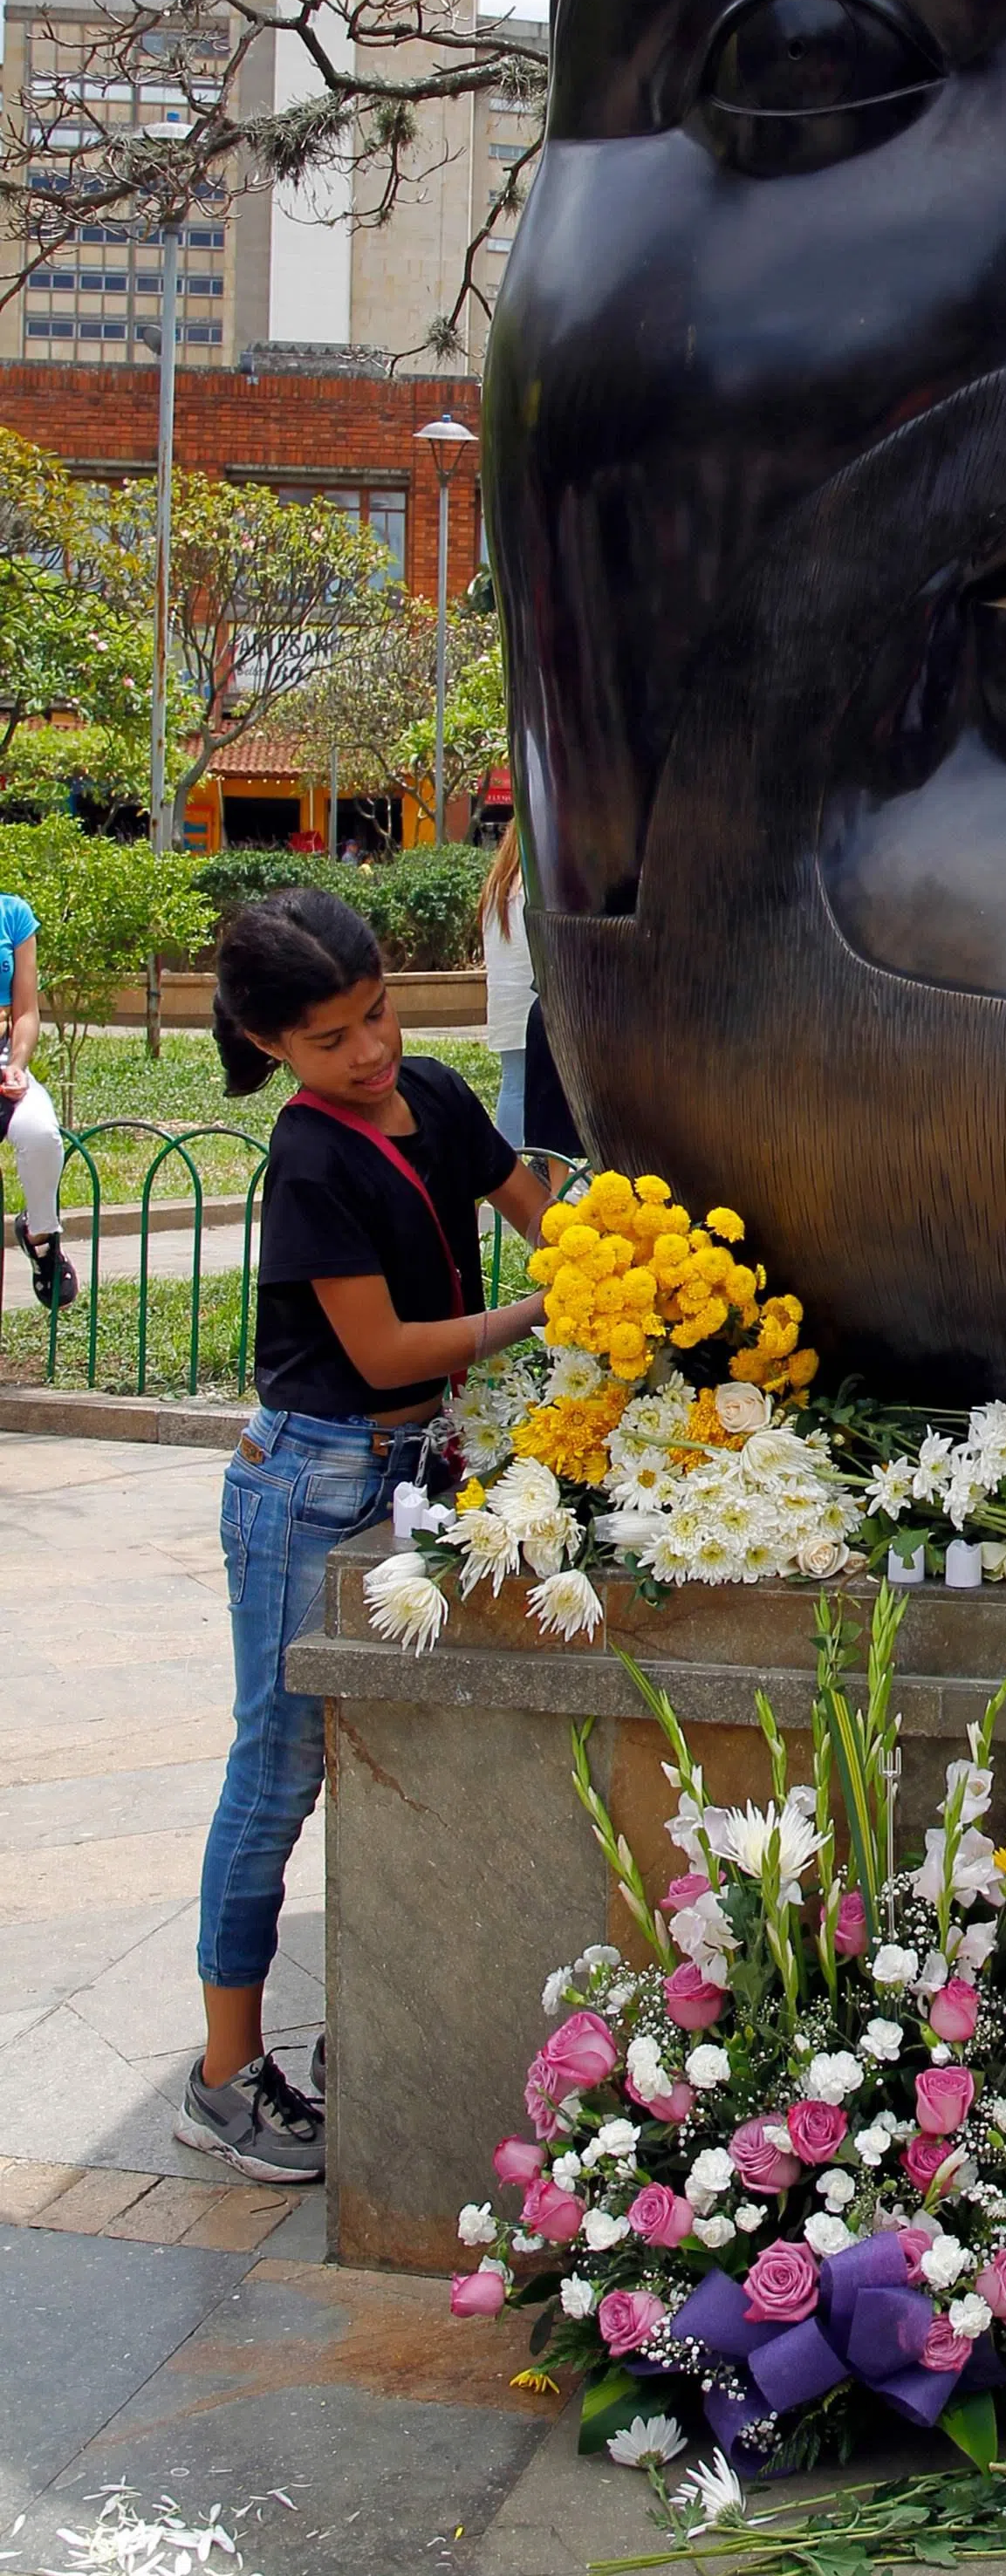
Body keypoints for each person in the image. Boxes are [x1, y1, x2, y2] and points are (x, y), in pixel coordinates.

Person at [180, 890, 550, 2182]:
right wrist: (541, 1313)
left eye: (379, 1012)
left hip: (421, 1470)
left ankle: (370, 2022)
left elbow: (539, 1212)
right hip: (312, 1480)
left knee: (401, 1753)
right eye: (331, 1038)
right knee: (278, 1771)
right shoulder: (309, 1157)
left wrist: (629, 1253)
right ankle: (224, 2074)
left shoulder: (434, 1093)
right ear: (271, 1043)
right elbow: (385, 1350)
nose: (372, 1049)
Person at [0, 889, 77, 1312]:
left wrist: (17, 1064)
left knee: (41, 1134)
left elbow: (26, 1012)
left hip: (5, 1060)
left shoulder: (13, 914)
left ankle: (41, 1238)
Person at [478, 825, 535, 1148]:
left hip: (505, 1001)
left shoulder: (497, 885)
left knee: (514, 1084)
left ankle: (508, 1164)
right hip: (534, 999)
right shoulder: (533, 886)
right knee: (540, 1088)